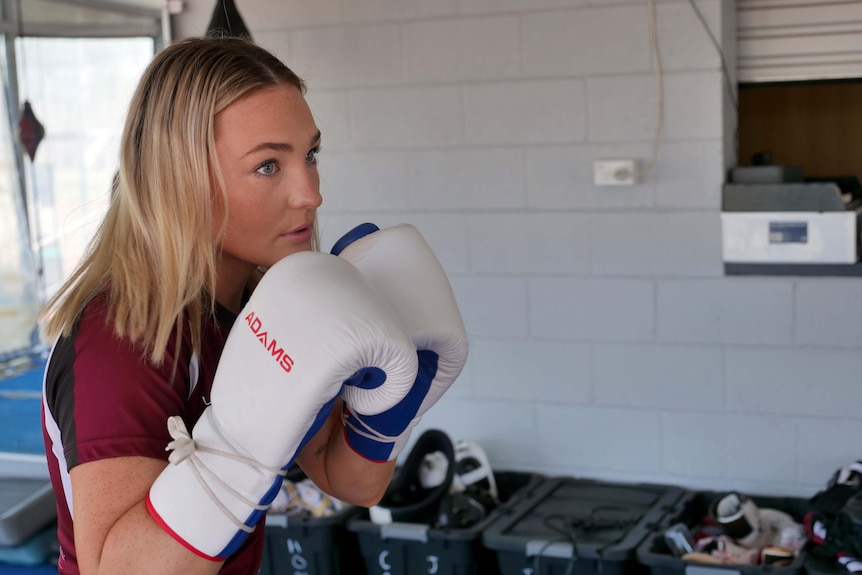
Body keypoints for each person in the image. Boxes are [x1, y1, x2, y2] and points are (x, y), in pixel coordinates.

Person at [38, 36, 466, 575]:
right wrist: (239, 447)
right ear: (182, 181)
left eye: (309, 155)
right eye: (268, 166)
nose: (310, 192)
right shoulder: (124, 340)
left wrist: (397, 401)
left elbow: (351, 481)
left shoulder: (260, 308)